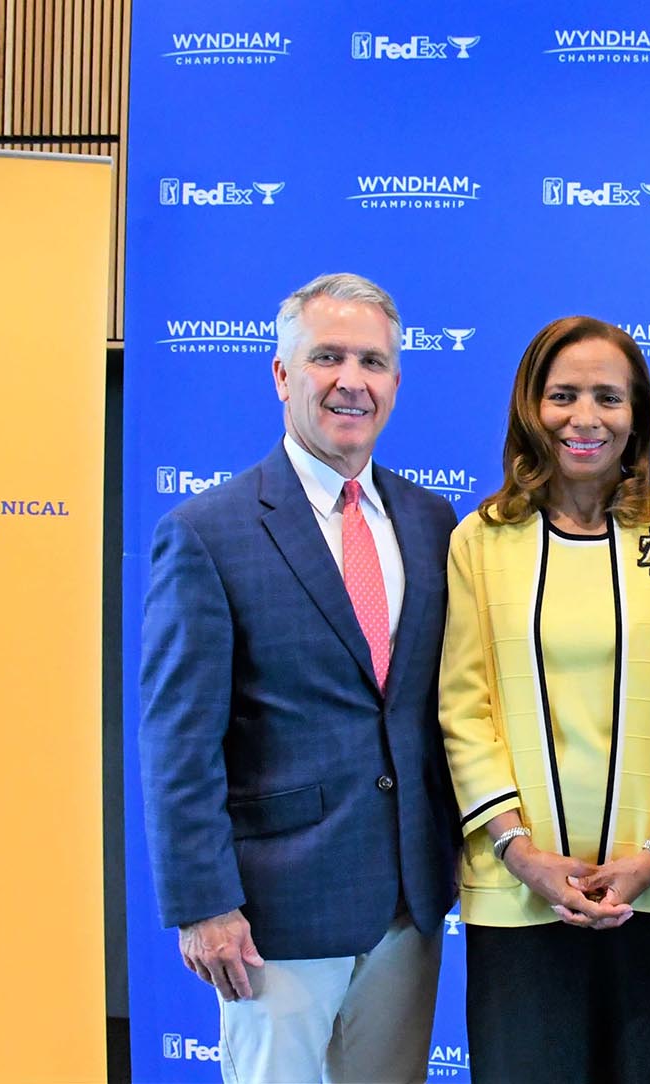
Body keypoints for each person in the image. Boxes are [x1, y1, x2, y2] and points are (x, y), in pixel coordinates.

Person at [139, 272, 459, 1083]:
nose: (352, 380)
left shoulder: (431, 523)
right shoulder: (207, 533)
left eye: (373, 362)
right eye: (327, 357)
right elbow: (178, 743)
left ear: (395, 382)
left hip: (406, 908)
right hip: (269, 919)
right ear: (283, 375)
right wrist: (202, 905)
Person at [439, 316, 650, 1084]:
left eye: (609, 397)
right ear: (532, 408)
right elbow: (464, 711)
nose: (585, 418)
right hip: (517, 892)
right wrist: (523, 856)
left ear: (637, 417)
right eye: (563, 395)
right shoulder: (480, 541)